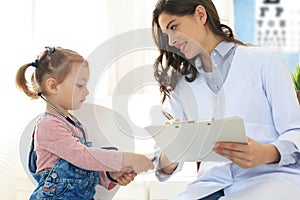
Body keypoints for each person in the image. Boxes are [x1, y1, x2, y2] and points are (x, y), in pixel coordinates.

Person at [151, 0, 300, 199]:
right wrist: (171, 151)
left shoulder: (265, 62)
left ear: (201, 15)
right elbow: (165, 164)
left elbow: (295, 131)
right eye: (166, 35)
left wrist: (267, 153)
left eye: (174, 27)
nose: (171, 42)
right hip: (209, 185)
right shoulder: (182, 86)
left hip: (269, 178)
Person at [15, 46, 154, 199]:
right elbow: (83, 156)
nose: (86, 91)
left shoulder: (77, 126)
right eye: (80, 85)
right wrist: (126, 159)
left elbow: (85, 166)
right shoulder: (47, 125)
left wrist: (110, 174)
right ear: (53, 86)